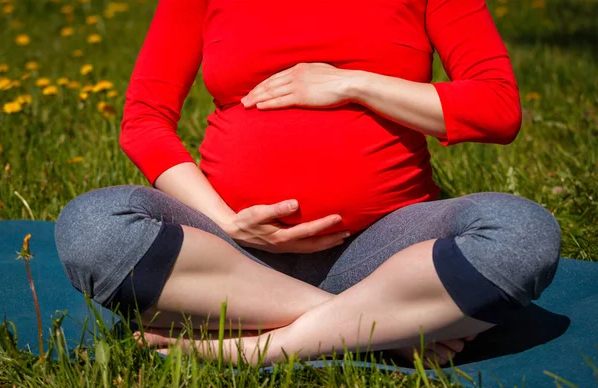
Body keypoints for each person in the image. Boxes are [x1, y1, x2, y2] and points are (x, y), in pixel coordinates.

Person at [54, 0, 562, 367]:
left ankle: (253, 349)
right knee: (92, 227)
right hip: (231, 256)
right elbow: (144, 119)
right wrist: (226, 221)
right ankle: (384, 329)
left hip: (389, 250)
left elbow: (497, 109)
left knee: (523, 233)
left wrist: (351, 82)